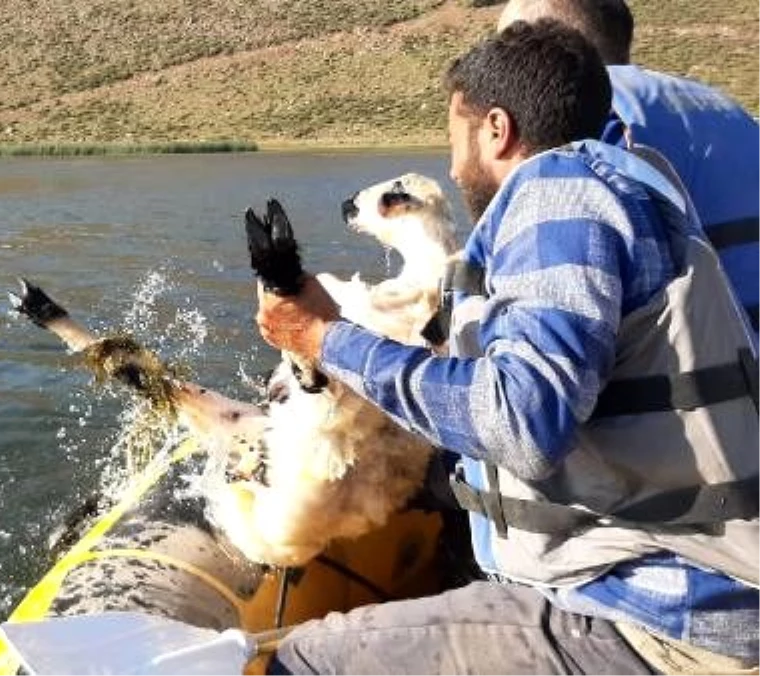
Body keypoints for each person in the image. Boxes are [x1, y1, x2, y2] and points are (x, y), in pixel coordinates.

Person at [257, 20, 760, 675]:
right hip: (691, 586)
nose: (451, 163)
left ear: (496, 128)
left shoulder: (558, 199)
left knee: (307, 659)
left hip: (661, 622)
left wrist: (326, 340)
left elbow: (519, 421)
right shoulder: (631, 185)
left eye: (453, 137)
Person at [500, 0, 760, 346]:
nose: (495, 66)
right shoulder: (725, 106)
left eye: (506, 47)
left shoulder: (588, 115)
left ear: (546, 46)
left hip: (686, 379)